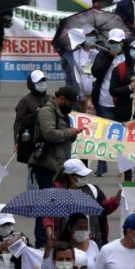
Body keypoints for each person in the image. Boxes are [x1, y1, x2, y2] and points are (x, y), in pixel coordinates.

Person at [30, 87, 82, 242]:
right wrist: (69, 133)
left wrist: (73, 134)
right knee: (46, 205)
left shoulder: (62, 114)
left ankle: (54, 237)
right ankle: (41, 240)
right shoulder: (47, 111)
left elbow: (64, 136)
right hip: (47, 166)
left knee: (55, 204)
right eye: (70, 103)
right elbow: (49, 133)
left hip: (59, 167)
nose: (71, 107)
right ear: (63, 99)